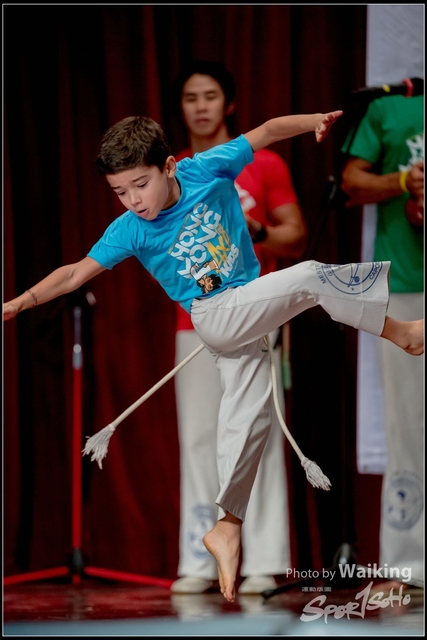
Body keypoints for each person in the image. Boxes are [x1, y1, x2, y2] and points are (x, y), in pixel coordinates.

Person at [4, 109, 424, 605]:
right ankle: (401, 331)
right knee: (310, 275)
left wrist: (312, 120)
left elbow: (265, 132)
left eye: (140, 184)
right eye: (120, 192)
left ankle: (227, 526)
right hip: (215, 315)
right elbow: (74, 274)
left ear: (169, 166)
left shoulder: (204, 168)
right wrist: (16, 303)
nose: (134, 200)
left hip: (247, 312)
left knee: (248, 423)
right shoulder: (130, 230)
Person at [170, 60, 308, 596]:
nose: (200, 106)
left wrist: (255, 230)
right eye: (189, 97)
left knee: (256, 433)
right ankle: (198, 559)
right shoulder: (172, 172)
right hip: (194, 322)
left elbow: (294, 236)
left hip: (255, 314)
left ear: (228, 104)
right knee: (201, 438)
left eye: (210, 96)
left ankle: (264, 560)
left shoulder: (263, 164)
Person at [340, 91, 424, 589]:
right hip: (408, 284)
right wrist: (401, 181)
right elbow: (350, 182)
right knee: (407, 424)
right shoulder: (390, 106)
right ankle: (410, 564)